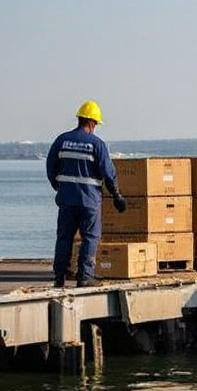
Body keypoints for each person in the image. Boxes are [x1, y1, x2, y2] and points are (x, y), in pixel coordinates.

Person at [46, 100, 127, 287]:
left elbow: (51, 167)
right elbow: (108, 173)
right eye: (96, 124)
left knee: (64, 237)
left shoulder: (61, 140)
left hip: (66, 200)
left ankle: (59, 277)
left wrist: (59, 187)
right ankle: (84, 277)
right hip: (89, 201)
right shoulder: (97, 144)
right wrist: (117, 196)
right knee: (90, 237)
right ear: (91, 122)